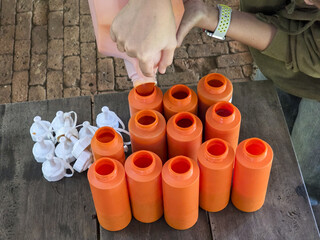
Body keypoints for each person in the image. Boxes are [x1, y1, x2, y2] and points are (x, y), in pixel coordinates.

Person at [110, 0, 320, 202]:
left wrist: (210, 16)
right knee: (269, 131)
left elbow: (303, 47)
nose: (308, 2)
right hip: (276, 68)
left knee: (304, 165)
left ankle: (307, 201)